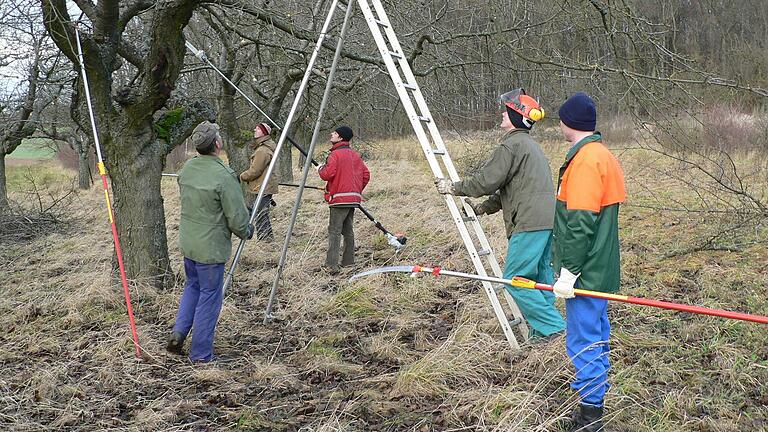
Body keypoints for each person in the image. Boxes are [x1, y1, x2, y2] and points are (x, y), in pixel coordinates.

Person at [434, 88, 566, 340]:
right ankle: (542, 337)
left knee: (515, 279)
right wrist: (484, 207)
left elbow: (487, 181)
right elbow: (511, 188)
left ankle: (556, 329)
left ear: (517, 117)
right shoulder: (530, 147)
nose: (503, 115)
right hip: (546, 221)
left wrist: (454, 187)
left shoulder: (512, 145)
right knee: (539, 281)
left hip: (528, 223)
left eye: (507, 112)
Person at [551, 92, 626, 431]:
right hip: (601, 269)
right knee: (596, 335)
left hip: (587, 272)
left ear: (569, 123)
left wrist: (569, 271)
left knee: (583, 340)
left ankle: (590, 416)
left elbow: (580, 224)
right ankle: (593, 398)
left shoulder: (584, 161)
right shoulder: (602, 155)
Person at [166, 121, 253, 363]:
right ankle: (201, 355)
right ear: (217, 143)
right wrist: (247, 230)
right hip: (210, 250)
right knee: (209, 296)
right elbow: (236, 218)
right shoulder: (224, 176)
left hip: (189, 243)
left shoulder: (188, 169)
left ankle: (179, 333)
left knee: (192, 287)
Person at [317, 126, 370, 274]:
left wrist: (320, 169)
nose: (331, 134)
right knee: (348, 231)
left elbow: (327, 174)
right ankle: (348, 262)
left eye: (334, 133)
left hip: (339, 200)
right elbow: (366, 175)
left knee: (334, 231)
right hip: (353, 200)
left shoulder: (334, 155)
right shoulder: (355, 155)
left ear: (340, 138)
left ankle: (331, 265)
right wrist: (356, 191)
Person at [240, 122, 279, 242]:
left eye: (257, 129)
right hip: (263, 186)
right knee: (261, 214)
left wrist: (241, 176)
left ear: (263, 132)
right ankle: (266, 239)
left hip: (263, 187)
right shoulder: (263, 148)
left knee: (261, 215)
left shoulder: (262, 150)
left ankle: (266, 241)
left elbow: (255, 171)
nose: (254, 130)